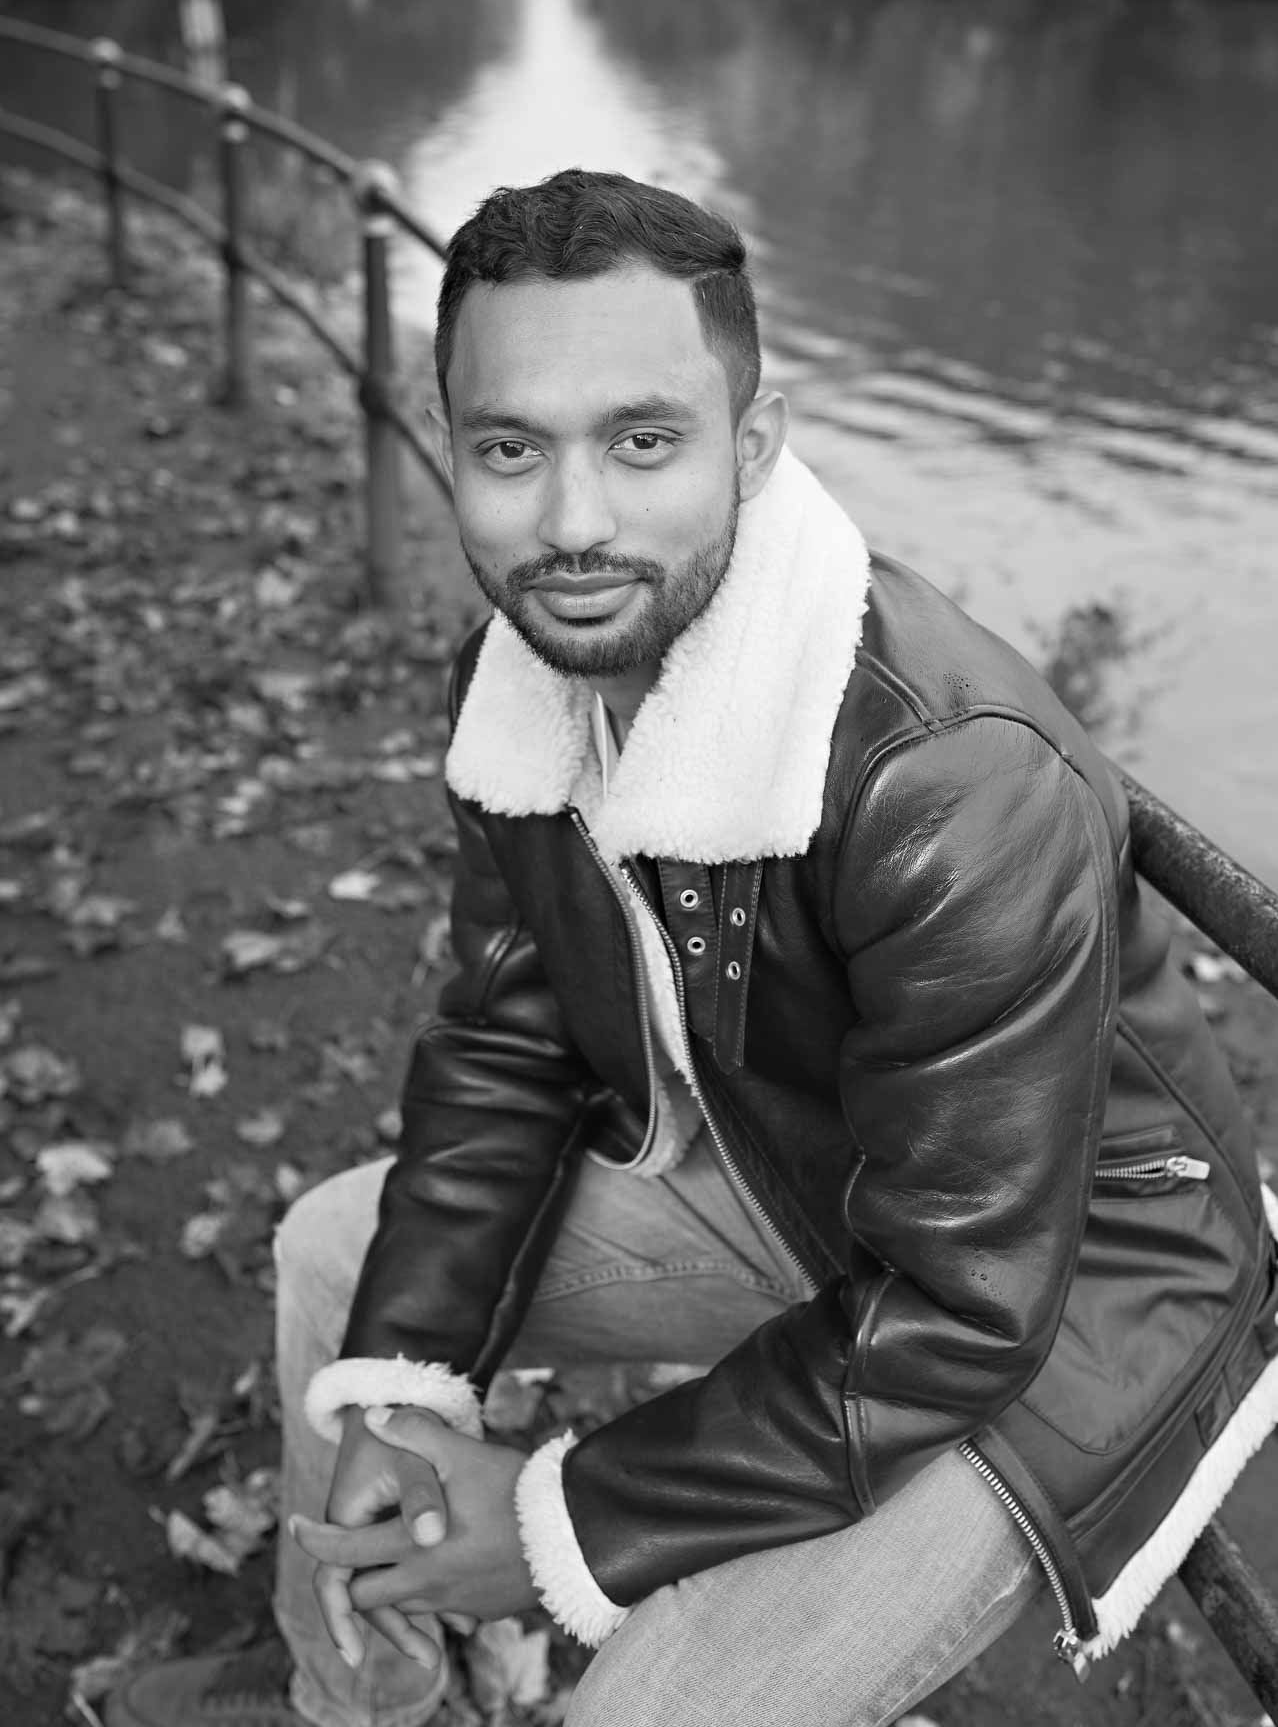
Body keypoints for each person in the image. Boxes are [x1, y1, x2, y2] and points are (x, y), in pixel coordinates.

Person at [109, 170, 1278, 1727]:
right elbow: (510, 1039)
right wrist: (404, 1397)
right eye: (509, 449)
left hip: (1061, 1296)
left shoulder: (946, 779)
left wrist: (548, 1522)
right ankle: (366, 1692)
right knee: (342, 1267)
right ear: (447, 445)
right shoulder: (526, 664)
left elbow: (963, 1308)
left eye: (642, 441)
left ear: (757, 441)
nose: (572, 522)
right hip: (808, 1176)